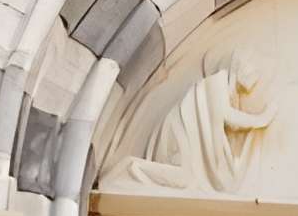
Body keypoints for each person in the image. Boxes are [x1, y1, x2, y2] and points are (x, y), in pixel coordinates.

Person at [105, 48, 275, 194]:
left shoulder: (229, 92)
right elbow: (228, 117)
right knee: (185, 179)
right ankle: (130, 168)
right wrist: (261, 119)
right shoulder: (217, 82)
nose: (255, 76)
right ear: (240, 66)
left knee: (186, 180)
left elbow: (231, 124)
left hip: (186, 137)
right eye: (253, 69)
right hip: (180, 132)